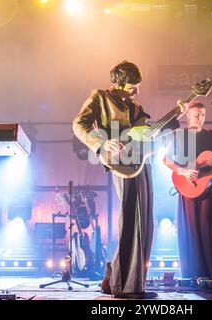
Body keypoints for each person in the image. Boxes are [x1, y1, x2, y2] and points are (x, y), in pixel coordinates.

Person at [73, 60, 182, 298]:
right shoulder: (100, 97)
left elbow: (144, 135)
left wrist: (173, 119)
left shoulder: (136, 106)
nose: (138, 91)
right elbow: (79, 125)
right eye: (134, 86)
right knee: (132, 221)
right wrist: (101, 142)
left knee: (143, 222)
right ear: (119, 83)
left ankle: (114, 276)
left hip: (142, 163)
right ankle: (126, 287)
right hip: (121, 164)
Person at [163, 101, 212, 281]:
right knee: (191, 230)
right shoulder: (178, 135)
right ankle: (192, 276)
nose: (200, 118)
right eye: (196, 114)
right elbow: (166, 160)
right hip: (188, 188)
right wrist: (183, 171)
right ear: (188, 115)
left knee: (209, 228)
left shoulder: (211, 136)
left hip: (209, 188)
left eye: (203, 115)